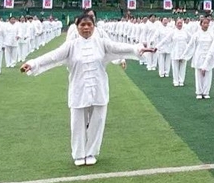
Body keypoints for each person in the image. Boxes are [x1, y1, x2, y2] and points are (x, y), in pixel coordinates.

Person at [20, 14, 156, 166]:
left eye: (89, 25)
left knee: (97, 121)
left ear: (94, 26)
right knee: (77, 122)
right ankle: (78, 154)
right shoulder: (70, 45)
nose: (86, 28)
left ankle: (91, 152)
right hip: (79, 89)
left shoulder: (102, 43)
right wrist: (32, 63)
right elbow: (52, 56)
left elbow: (120, 47)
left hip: (99, 88)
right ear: (77, 27)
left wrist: (138, 48)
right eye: (82, 25)